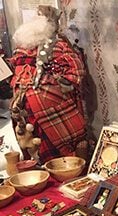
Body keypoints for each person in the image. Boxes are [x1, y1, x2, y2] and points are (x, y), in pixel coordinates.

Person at [8, 5, 87, 163]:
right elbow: (13, 69)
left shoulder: (59, 46)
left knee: (60, 153)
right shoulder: (20, 49)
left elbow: (75, 74)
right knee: (32, 146)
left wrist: (55, 84)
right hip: (24, 111)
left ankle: (64, 171)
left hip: (53, 109)